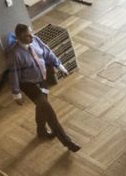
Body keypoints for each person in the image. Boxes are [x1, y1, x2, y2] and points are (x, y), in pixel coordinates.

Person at [6, 23, 80, 152]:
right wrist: (16, 94)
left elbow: (47, 53)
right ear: (20, 38)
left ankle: (41, 130)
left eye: (31, 33)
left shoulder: (35, 40)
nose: (32, 37)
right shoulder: (15, 55)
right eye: (28, 36)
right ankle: (67, 142)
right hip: (29, 85)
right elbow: (14, 75)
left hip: (42, 80)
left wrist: (59, 66)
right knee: (49, 112)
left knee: (41, 108)